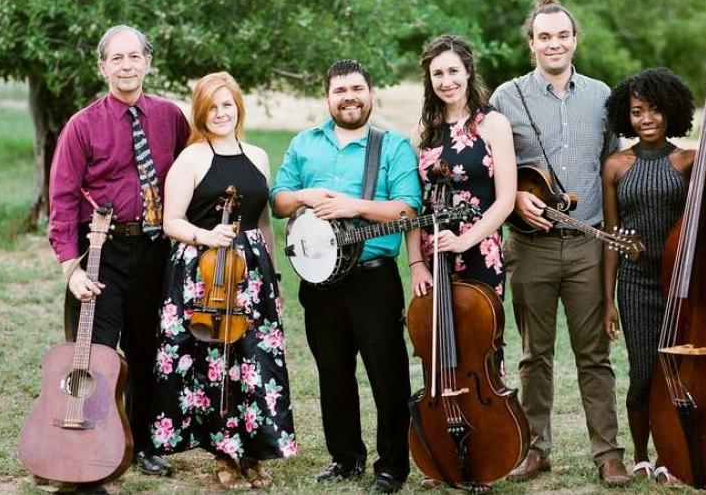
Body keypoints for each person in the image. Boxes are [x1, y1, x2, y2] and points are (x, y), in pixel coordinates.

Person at [488, 0, 629, 485]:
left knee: (595, 355)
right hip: (529, 247)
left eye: (562, 35)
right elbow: (487, 170)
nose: (554, 43)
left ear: (574, 41)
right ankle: (534, 448)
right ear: (532, 43)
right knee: (534, 353)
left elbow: (612, 167)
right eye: (544, 36)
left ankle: (608, 453)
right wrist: (512, 202)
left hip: (588, 242)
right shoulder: (505, 98)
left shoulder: (602, 96)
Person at [271, 60, 421, 494]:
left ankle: (392, 466)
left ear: (371, 93)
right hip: (318, 282)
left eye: (357, 88)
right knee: (332, 372)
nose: (349, 96)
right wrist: (301, 195)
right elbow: (279, 201)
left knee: (386, 373)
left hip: (372, 279)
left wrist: (354, 206)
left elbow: (408, 210)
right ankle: (346, 458)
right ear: (327, 97)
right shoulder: (304, 144)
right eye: (340, 90)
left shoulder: (391, 147)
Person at [48, 24, 189, 477]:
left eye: (134, 57)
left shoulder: (171, 118)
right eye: (117, 59)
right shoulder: (81, 126)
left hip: (155, 253)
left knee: (149, 351)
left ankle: (143, 444)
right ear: (102, 66)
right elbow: (63, 201)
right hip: (101, 253)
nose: (127, 66)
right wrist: (71, 268)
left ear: (148, 62)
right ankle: (89, 446)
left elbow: (191, 175)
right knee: (98, 355)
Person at [147, 72, 296, 490]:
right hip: (204, 273)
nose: (220, 113)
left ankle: (252, 451)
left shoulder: (258, 155)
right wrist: (207, 235)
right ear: (200, 112)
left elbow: (263, 221)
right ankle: (223, 454)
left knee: (253, 363)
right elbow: (170, 221)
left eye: (227, 105)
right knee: (214, 364)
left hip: (252, 274)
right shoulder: (191, 158)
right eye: (211, 107)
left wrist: (273, 273)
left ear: (238, 107)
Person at [601, 67, 706, 484]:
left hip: (682, 285)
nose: (646, 119)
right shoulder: (615, 165)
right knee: (644, 373)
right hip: (633, 283)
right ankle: (642, 455)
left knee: (678, 372)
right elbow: (612, 237)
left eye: (655, 111)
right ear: (624, 116)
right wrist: (607, 299)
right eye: (636, 112)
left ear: (671, 113)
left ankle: (671, 453)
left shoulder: (686, 160)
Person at [405, 33, 518, 490]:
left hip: (481, 251)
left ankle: (489, 447)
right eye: (438, 74)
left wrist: (467, 238)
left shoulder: (493, 125)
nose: (447, 80)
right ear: (429, 81)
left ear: (468, 72)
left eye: (453, 71)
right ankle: (442, 441)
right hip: (433, 256)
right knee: (438, 350)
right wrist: (416, 261)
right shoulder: (421, 134)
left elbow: (506, 198)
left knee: (482, 348)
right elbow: (410, 207)